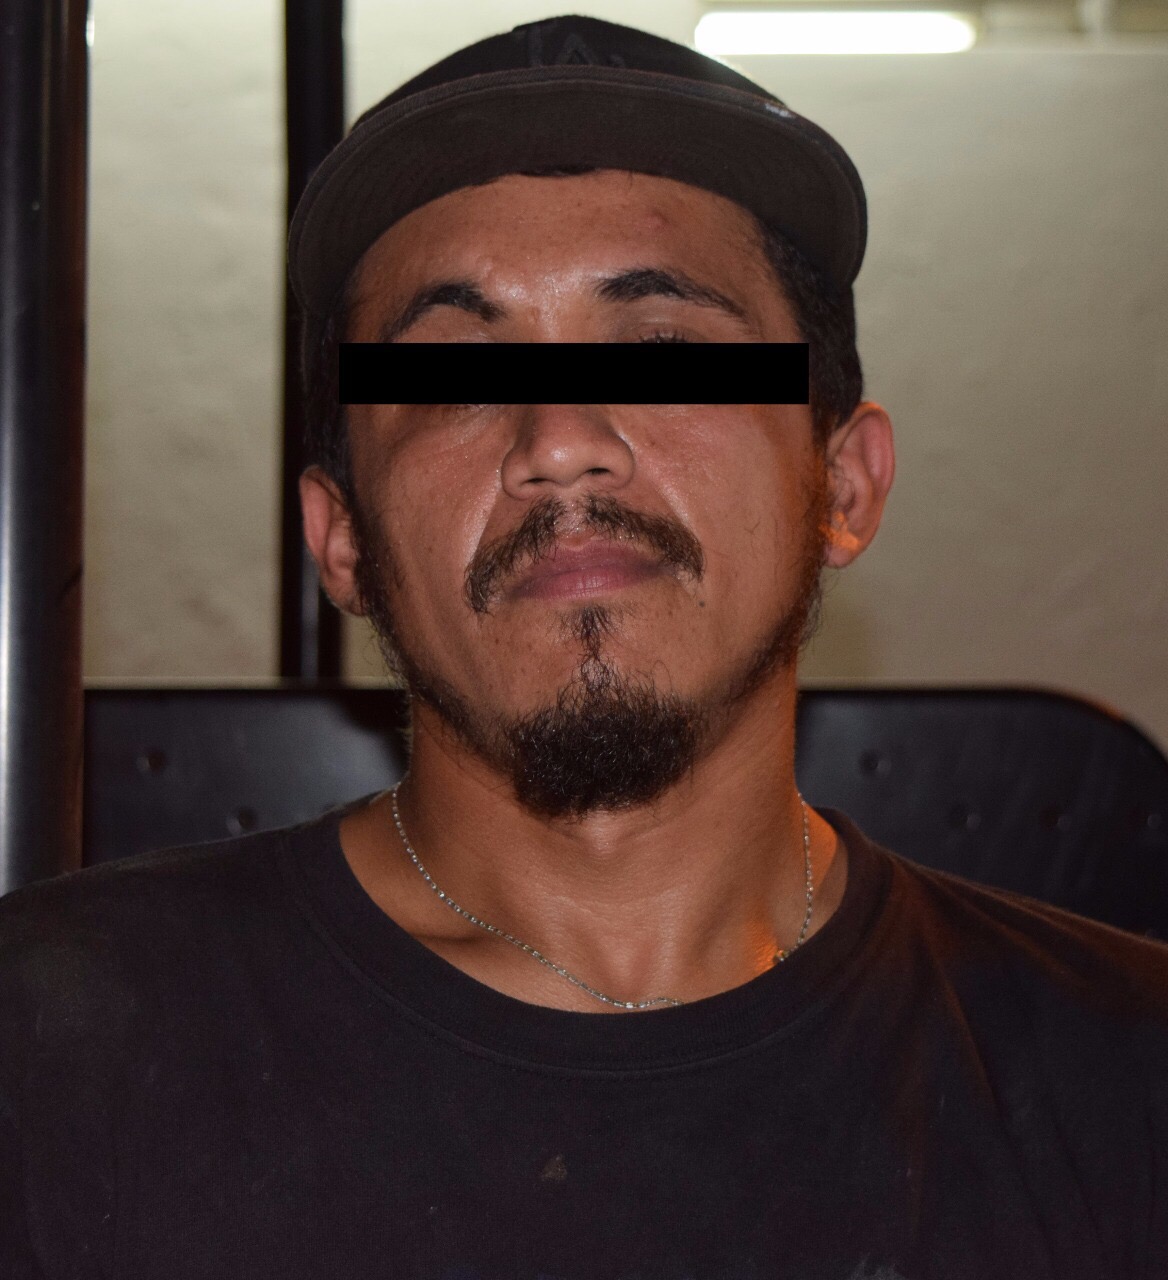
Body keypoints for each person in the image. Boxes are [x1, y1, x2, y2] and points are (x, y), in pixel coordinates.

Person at [2, 15, 1165, 1280]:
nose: (559, 439)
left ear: (842, 483)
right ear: (342, 540)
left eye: (665, 351)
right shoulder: (45, 1064)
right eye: (453, 372)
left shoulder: (1127, 1077)